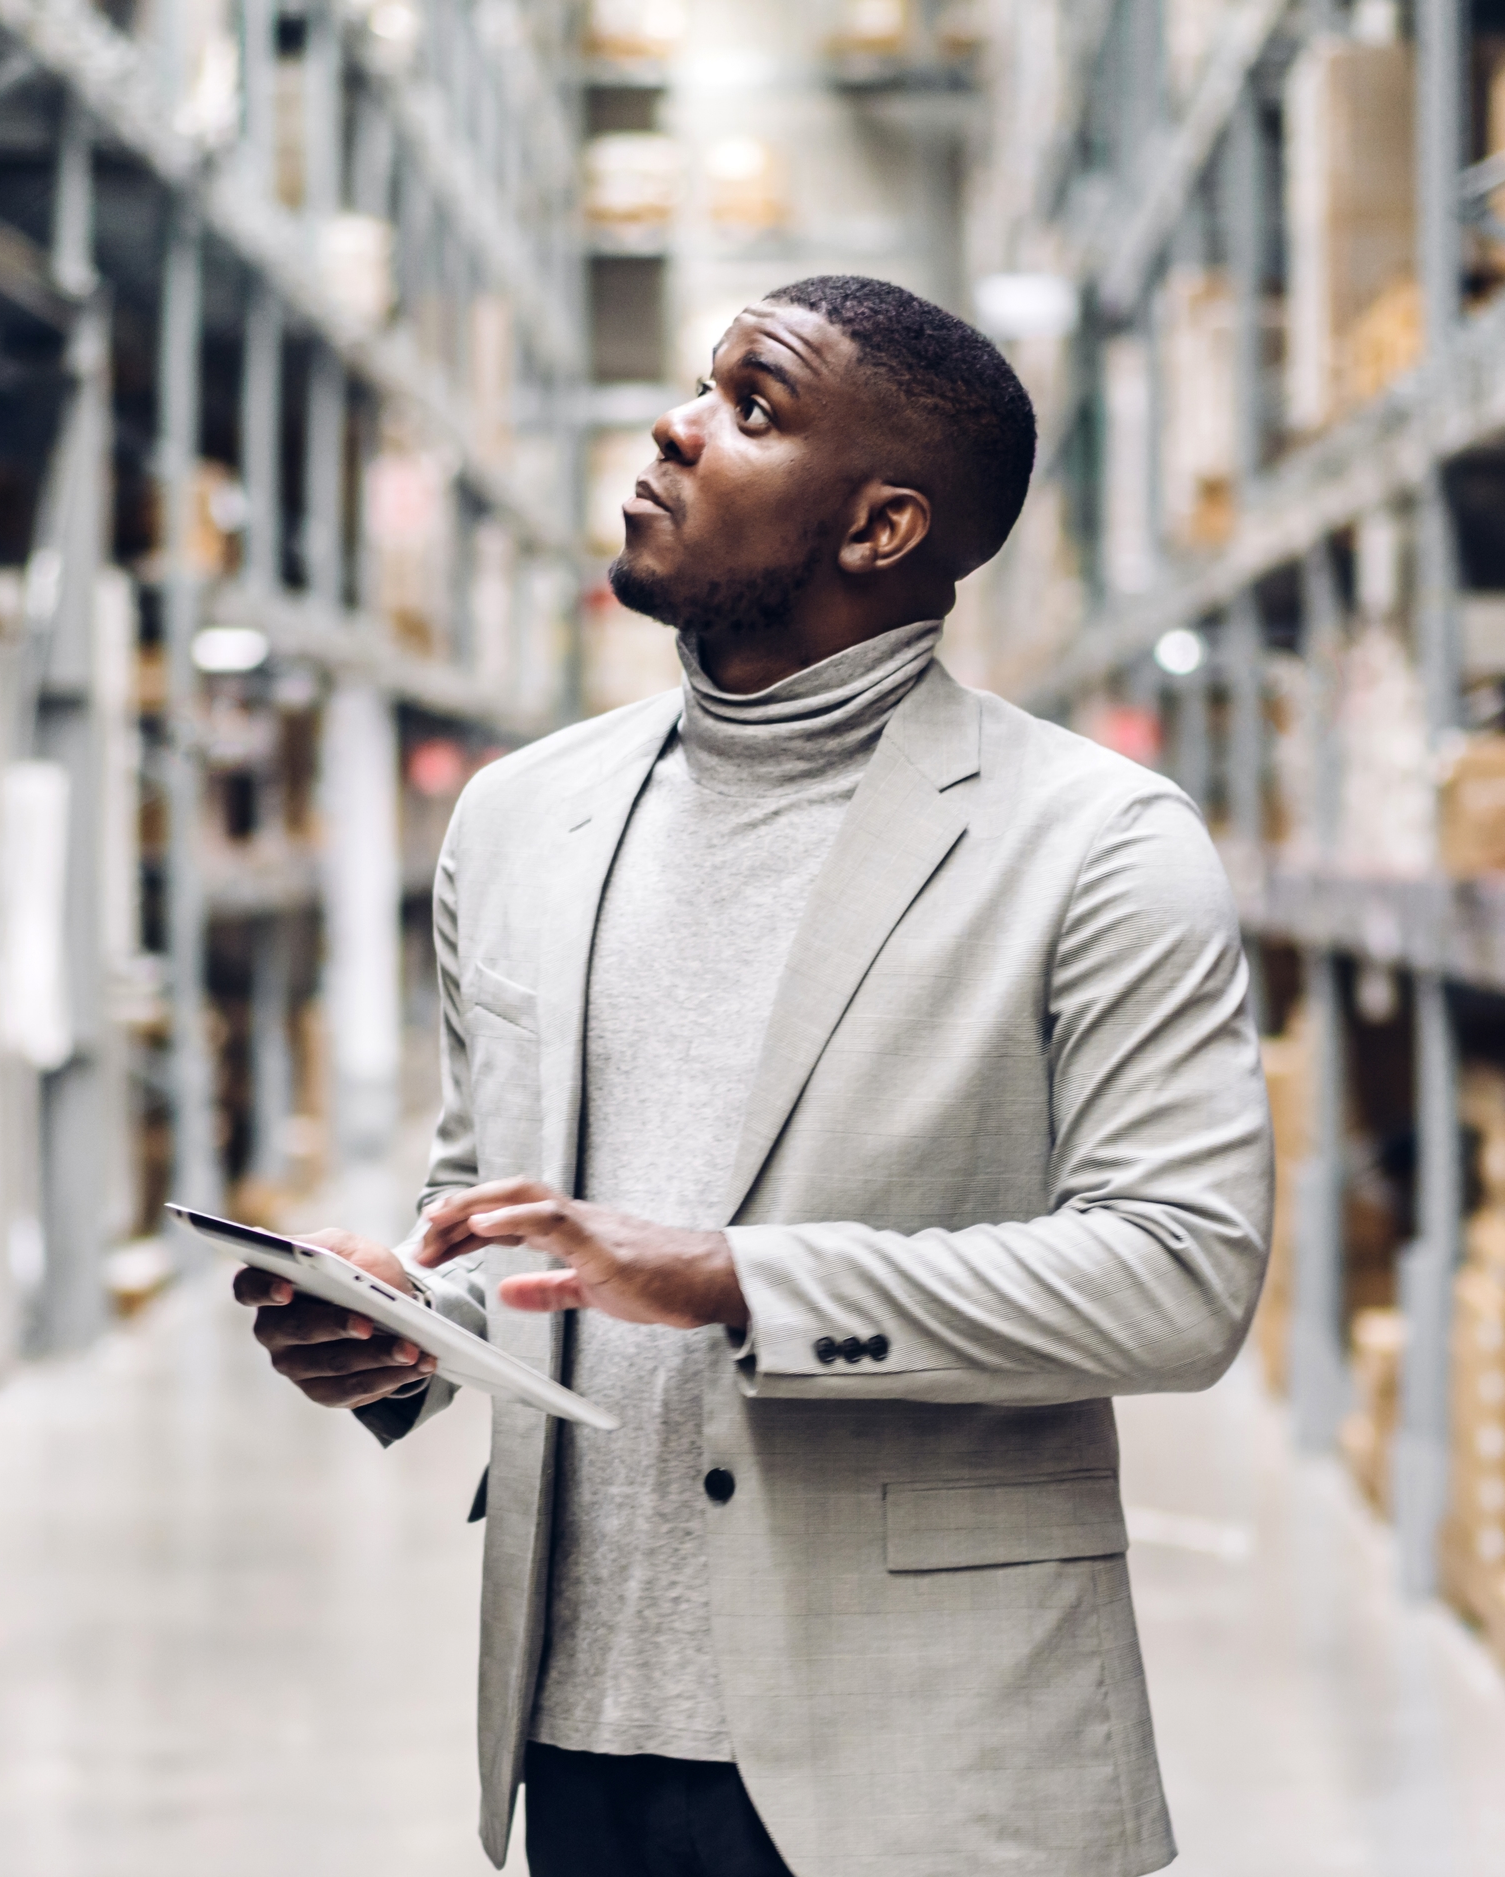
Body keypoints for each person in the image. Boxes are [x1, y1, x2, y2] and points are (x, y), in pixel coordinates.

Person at [229, 273, 1271, 1877]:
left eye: (751, 405)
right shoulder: (519, 821)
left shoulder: (1099, 847)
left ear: (881, 528)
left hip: (929, 1752)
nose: (675, 426)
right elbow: (497, 1228)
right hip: (582, 1730)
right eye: (699, 384)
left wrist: (738, 1280)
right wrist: (405, 1329)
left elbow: (1180, 1278)